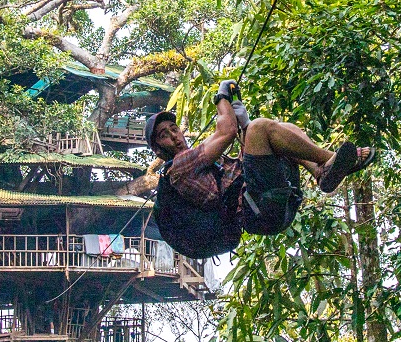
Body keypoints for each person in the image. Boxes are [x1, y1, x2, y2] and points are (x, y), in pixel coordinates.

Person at [150, 85, 375, 239]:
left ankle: (320, 172)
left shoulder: (200, 161)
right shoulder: (177, 168)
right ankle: (328, 161)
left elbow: (241, 157)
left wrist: (244, 124)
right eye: (164, 135)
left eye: (174, 129)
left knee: (285, 130)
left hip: (267, 204)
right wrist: (221, 98)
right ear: (159, 149)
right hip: (255, 208)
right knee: (260, 127)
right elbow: (226, 131)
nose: (174, 136)